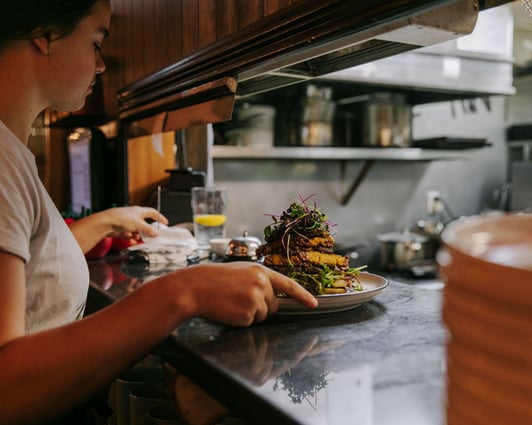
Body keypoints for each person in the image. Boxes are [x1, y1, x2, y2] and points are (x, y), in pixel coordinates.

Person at [0, 1, 318, 424]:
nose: (100, 66)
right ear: (45, 34)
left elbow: (33, 268)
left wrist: (106, 221)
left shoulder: (13, 155)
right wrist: (183, 292)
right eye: (96, 41)